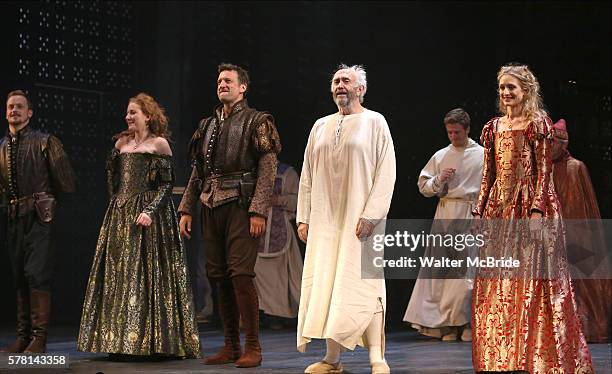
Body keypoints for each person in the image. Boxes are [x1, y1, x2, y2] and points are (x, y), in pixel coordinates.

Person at [471, 64, 593, 372]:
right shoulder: (493, 127)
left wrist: (538, 209)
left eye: (512, 87)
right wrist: (480, 209)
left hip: (529, 205)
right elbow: (489, 174)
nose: (506, 93)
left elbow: (544, 171)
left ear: (526, 90)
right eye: (502, 88)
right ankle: (503, 356)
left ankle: (536, 354)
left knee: (533, 280)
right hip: (500, 206)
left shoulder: (537, 123)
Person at [77, 93, 200, 358]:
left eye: (133, 112)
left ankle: (153, 344)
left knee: (147, 274)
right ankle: (118, 343)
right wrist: (118, 207)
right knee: (118, 276)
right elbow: (113, 181)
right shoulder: (121, 143)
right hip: (122, 215)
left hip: (150, 217)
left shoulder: (159, 144)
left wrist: (149, 210)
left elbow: (167, 185)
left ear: (147, 115)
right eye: (127, 112)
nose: (128, 117)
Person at [178, 63, 281, 368]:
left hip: (240, 203)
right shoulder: (207, 124)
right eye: (219, 81)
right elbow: (198, 170)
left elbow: (268, 166)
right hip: (210, 204)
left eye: (228, 81)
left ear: (242, 87)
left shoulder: (257, 120)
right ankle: (230, 345)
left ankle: (253, 346)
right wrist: (186, 207)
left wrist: (258, 211)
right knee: (218, 276)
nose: (222, 84)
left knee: (241, 275)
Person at [296, 64, 396, 374]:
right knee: (329, 283)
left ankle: (377, 356)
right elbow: (308, 176)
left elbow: (386, 173)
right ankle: (332, 359)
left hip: (361, 220)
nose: (340, 85)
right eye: (336, 81)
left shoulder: (375, 122)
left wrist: (371, 215)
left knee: (365, 283)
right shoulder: (321, 126)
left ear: (360, 89)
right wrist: (304, 218)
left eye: (347, 81)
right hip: (326, 220)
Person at [0, 90, 75, 353]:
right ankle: (23, 336)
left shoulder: (45, 141)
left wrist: (50, 208)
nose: (14, 111)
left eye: (19, 107)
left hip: (40, 217)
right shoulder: (2, 146)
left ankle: (39, 338)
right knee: (19, 276)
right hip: (14, 217)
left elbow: (65, 183)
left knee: (36, 275)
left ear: (29, 112)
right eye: (10, 106)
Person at [403, 108, 483, 342]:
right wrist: (439, 179)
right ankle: (446, 324)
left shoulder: (483, 155)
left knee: (466, 271)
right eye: (449, 132)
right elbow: (423, 186)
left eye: (457, 132)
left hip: (470, 213)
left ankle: (466, 322)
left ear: (467, 129)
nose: (453, 137)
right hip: (445, 213)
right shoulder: (440, 155)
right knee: (440, 270)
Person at [551, 118, 611, 343]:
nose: (548, 148)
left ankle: (585, 325)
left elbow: (583, 206)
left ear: (563, 144)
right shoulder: (543, 168)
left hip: (575, 234)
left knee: (581, 281)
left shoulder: (576, 168)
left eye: (553, 143)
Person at [254, 161, 303, 327]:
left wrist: (278, 199)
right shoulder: (254, 171)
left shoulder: (287, 173)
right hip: (256, 231)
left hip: (280, 228)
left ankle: (282, 315)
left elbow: (299, 201)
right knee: (258, 275)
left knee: (284, 277)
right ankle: (264, 315)